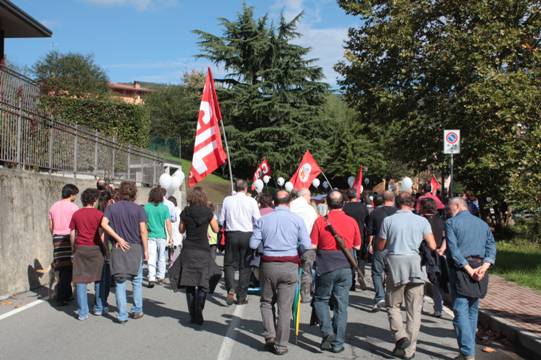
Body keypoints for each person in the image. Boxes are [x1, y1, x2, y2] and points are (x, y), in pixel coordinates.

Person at [250, 190, 312, 355]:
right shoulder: (297, 220)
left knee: (266, 301)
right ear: (289, 202)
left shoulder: (263, 220)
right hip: (290, 265)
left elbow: (253, 244)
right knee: (284, 307)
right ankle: (281, 344)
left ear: (273, 203)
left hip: (269, 264)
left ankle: (270, 335)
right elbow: (306, 245)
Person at [377, 192, 436, 360]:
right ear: (412, 204)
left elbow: (381, 245)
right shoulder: (422, 221)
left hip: (396, 263)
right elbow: (432, 245)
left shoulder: (388, 221)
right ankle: (410, 349)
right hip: (415, 264)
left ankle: (400, 336)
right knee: (414, 310)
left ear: (397, 203)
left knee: (392, 305)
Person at [311, 191, 361, 353]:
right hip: (346, 265)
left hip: (326, 265)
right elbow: (358, 246)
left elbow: (313, 245)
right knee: (341, 305)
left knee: (320, 299)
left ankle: (327, 332)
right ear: (343, 203)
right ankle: (338, 342)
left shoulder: (320, 221)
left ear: (327, 202)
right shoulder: (351, 221)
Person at [446, 197, 496, 360]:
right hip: (480, 268)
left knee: (460, 310)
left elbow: (454, 251)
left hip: (462, 270)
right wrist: (484, 266)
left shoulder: (451, 223)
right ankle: (466, 350)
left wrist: (469, 269)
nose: (448, 211)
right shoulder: (482, 223)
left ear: (458, 206)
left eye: (449, 208)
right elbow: (491, 246)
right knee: (473, 309)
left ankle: (468, 352)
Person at [101, 181, 148, 324]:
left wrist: (118, 238)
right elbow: (143, 231)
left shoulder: (112, 208)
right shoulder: (139, 209)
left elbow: (103, 224)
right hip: (135, 247)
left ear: (120, 192)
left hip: (118, 247)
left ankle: (122, 315)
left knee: (120, 282)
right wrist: (146, 250)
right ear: (134, 193)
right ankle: (137, 309)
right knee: (137, 280)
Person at [175, 187, 219, 325]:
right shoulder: (208, 212)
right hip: (203, 249)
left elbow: (181, 230)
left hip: (189, 249)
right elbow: (216, 229)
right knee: (203, 282)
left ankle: (193, 314)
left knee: (189, 283)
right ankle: (199, 306)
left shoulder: (186, 212)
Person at [219, 179, 261, 305]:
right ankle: (242, 296)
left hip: (232, 233)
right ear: (246, 188)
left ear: (236, 188)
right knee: (245, 266)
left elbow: (221, 220)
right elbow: (258, 220)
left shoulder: (227, 200)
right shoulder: (252, 201)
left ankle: (231, 287)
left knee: (229, 264)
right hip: (247, 234)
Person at [69, 188, 105, 320]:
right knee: (98, 279)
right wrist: (104, 249)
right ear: (94, 200)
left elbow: (72, 233)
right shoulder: (99, 214)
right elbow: (102, 234)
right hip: (95, 249)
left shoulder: (76, 214)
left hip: (81, 248)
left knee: (80, 280)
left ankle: (83, 312)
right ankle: (98, 308)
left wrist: (74, 248)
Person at [48, 184, 79, 306]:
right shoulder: (74, 207)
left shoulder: (53, 206)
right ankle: (61, 296)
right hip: (69, 237)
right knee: (69, 267)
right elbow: (77, 225)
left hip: (57, 238)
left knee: (61, 267)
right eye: (75, 194)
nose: (75, 197)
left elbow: (50, 226)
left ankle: (66, 294)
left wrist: (55, 235)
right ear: (71, 194)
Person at [366, 191, 397, 311]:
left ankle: (380, 296)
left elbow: (371, 231)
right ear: (393, 199)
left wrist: (369, 244)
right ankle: (391, 297)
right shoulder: (397, 213)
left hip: (379, 245)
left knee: (377, 272)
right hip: (394, 246)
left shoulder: (375, 212)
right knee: (392, 273)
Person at [419, 197, 447, 317]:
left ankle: (419, 304)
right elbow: (446, 236)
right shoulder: (441, 221)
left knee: (420, 280)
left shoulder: (420, 220)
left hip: (422, 253)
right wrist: (442, 249)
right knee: (436, 281)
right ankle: (438, 308)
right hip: (437, 253)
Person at [290, 188, 318, 303]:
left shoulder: (290, 206)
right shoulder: (310, 209)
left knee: (291, 270)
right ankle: (305, 294)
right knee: (307, 270)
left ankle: (290, 294)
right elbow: (316, 225)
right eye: (309, 196)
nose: (310, 198)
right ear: (305, 196)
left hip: (291, 243)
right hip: (308, 244)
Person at [144, 187, 173, 288]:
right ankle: (161, 276)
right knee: (161, 256)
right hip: (162, 235)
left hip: (150, 235)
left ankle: (151, 277)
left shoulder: (146, 207)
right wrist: (171, 237)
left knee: (151, 257)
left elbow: (144, 223)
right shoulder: (164, 208)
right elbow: (168, 224)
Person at [343, 189, 370, 290]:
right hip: (361, 235)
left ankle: (352, 283)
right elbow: (368, 222)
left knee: (350, 259)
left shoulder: (345, 208)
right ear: (356, 196)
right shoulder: (363, 207)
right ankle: (361, 274)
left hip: (348, 236)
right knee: (361, 258)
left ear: (347, 196)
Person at [95, 188, 114, 314]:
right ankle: (102, 303)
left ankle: (98, 303)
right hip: (105, 248)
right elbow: (102, 233)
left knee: (99, 278)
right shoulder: (106, 214)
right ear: (108, 201)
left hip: (94, 248)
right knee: (105, 278)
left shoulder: (96, 212)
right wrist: (106, 250)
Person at [168, 196, 183, 261]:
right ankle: (173, 262)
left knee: (170, 248)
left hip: (171, 231)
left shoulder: (169, 209)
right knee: (176, 249)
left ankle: (171, 261)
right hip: (177, 231)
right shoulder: (179, 210)